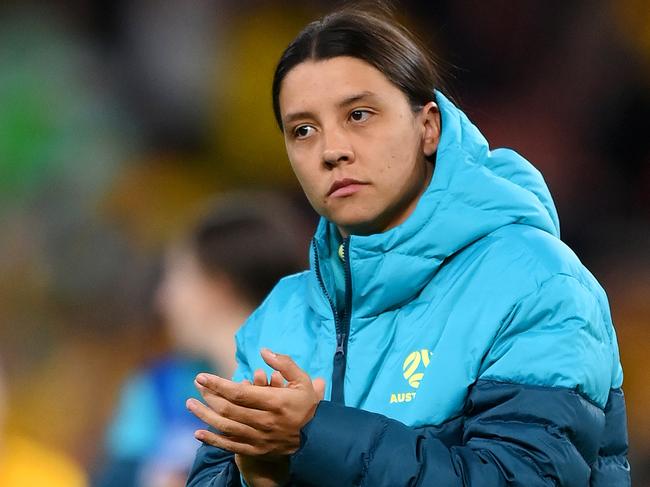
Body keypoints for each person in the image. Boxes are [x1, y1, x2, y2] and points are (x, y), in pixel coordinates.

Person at [186, 5, 630, 486]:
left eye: (359, 115)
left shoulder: (537, 282)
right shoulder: (279, 317)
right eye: (303, 130)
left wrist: (314, 435)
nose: (332, 150)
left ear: (428, 127)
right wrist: (260, 478)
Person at [94, 192, 310, 487]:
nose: (163, 300)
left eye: (178, 277)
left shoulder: (306, 385)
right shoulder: (160, 387)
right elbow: (113, 478)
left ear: (218, 287)